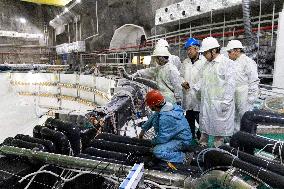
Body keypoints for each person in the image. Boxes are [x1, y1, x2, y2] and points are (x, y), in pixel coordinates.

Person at [196, 37, 236, 147]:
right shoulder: (206, 64)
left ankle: (217, 150)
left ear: (213, 51)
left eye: (205, 53)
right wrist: (195, 87)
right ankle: (202, 144)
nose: (204, 55)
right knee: (205, 126)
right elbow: (203, 79)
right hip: (208, 102)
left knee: (219, 131)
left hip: (220, 103)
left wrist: (226, 102)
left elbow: (230, 85)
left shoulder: (227, 63)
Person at [139, 90, 192, 164]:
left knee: (157, 151)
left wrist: (152, 142)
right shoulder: (166, 107)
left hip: (182, 141)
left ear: (153, 106)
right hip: (175, 136)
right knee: (157, 145)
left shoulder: (166, 117)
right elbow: (152, 118)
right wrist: (143, 130)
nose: (149, 106)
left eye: (149, 105)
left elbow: (163, 138)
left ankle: (184, 157)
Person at [226, 40, 259, 132]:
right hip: (234, 93)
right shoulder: (231, 63)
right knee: (235, 117)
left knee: (245, 118)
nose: (228, 54)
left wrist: (251, 98)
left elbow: (253, 81)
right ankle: (236, 139)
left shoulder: (248, 62)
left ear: (237, 50)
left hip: (244, 94)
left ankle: (247, 140)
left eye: (229, 52)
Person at [180, 37, 205, 139]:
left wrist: (195, 87)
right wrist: (183, 82)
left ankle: (201, 140)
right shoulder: (185, 62)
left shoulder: (204, 62)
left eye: (190, 49)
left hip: (199, 98)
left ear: (197, 49)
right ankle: (190, 140)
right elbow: (180, 75)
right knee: (189, 122)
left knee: (201, 123)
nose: (188, 52)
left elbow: (205, 78)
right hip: (187, 98)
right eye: (187, 49)